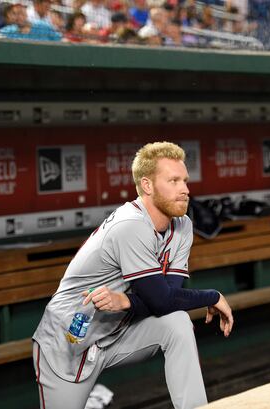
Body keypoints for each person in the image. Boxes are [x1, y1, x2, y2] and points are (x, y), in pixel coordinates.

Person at [32, 141, 234, 409]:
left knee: (177, 322)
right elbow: (161, 300)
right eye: (173, 181)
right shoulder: (130, 225)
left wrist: (127, 302)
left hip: (118, 331)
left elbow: (167, 299)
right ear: (147, 185)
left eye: (184, 180)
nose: (185, 189)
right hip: (68, 343)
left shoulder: (182, 225)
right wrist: (213, 296)